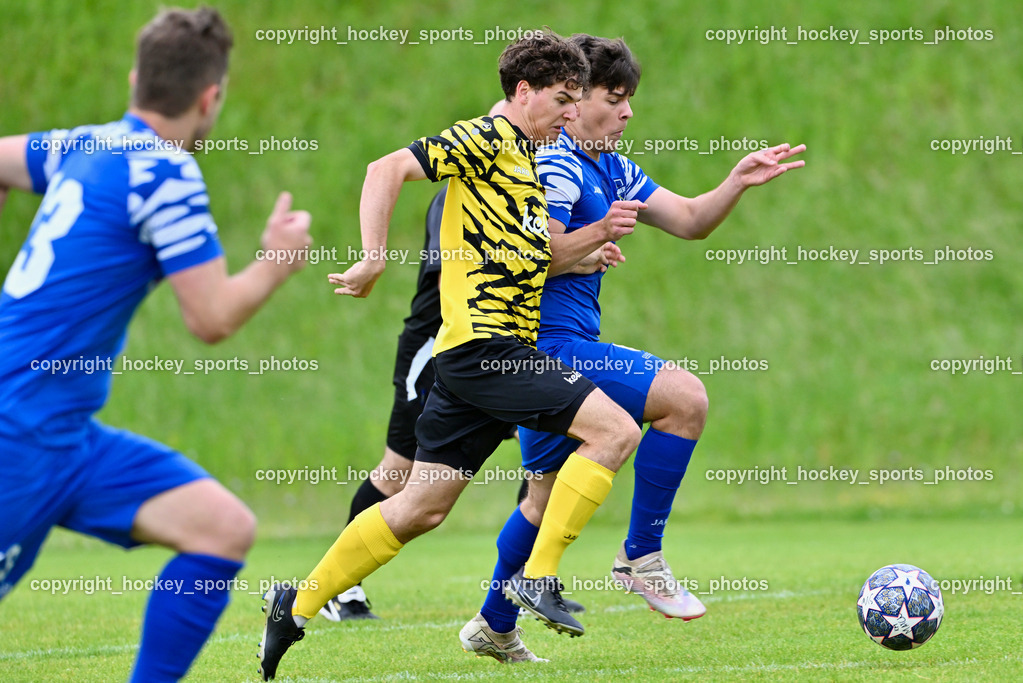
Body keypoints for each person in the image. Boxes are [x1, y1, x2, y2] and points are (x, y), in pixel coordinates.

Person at [257, 31, 645, 679]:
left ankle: (294, 605)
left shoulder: (526, 163)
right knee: (615, 430)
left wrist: (593, 240)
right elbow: (386, 168)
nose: (573, 112)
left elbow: (531, 257)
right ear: (523, 92)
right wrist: (373, 256)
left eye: (578, 100)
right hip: (488, 351)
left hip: (474, 361)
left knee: (421, 507)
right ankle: (539, 576)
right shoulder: (488, 138)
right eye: (562, 99)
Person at [462, 33, 806, 662]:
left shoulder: (612, 167)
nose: (626, 112)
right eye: (613, 98)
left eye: (629, 100)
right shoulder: (557, 164)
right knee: (685, 399)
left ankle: (493, 625)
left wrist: (736, 181)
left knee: (542, 497)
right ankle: (641, 555)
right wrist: (593, 242)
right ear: (575, 102)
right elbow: (533, 255)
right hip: (548, 348)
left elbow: (691, 220)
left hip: (552, 352)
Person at [0, 8, 312, 682]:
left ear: (136, 79)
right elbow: (211, 317)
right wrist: (276, 262)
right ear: (210, 98)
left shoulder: (85, 143)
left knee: (220, 528)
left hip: (64, 434)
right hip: (19, 434)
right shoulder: (165, 172)